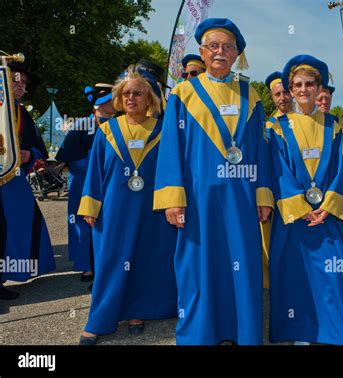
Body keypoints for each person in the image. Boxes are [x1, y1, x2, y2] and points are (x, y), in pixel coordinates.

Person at [154, 18, 273, 345]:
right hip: (197, 199)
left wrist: (263, 196)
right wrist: (172, 198)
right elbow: (171, 148)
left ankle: (243, 332)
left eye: (228, 46)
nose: (220, 51)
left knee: (242, 266)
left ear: (237, 55)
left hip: (242, 199)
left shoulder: (253, 96)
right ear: (202, 52)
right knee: (199, 267)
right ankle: (199, 334)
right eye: (213, 46)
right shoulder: (182, 93)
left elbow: (261, 150)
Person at [268, 55, 343, 345]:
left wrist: (328, 204)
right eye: (297, 85)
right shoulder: (276, 127)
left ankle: (336, 332)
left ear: (319, 89)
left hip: (327, 214)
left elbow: (341, 166)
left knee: (333, 277)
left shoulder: (335, 127)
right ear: (289, 90)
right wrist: (299, 207)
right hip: (293, 217)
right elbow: (276, 169)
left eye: (309, 84)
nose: (303, 90)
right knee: (295, 275)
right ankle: (300, 330)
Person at [77, 66, 177, 345]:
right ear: (120, 98)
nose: (132, 98)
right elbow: (94, 172)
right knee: (110, 260)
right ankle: (98, 319)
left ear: (149, 98)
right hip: (113, 208)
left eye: (138, 93)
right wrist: (89, 206)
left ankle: (137, 312)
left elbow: (171, 168)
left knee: (145, 259)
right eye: (126, 93)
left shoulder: (163, 130)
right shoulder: (107, 130)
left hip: (151, 208)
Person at [0, 62, 55, 300]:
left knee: (20, 226)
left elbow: (39, 149)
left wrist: (30, 154)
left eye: (23, 83)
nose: (20, 86)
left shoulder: (22, 113)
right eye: (16, 80)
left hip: (14, 181)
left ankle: (5, 276)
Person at [55, 83, 115, 284]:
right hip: (83, 183)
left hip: (110, 183)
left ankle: (106, 264)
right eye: (110, 99)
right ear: (99, 104)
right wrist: (100, 163)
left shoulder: (121, 125)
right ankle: (86, 265)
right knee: (83, 223)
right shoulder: (81, 126)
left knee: (108, 223)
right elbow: (73, 159)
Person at [259, 71, 293, 289]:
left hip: (301, 193)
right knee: (273, 241)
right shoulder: (267, 127)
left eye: (286, 92)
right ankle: (273, 282)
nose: (282, 98)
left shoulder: (307, 121)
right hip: (275, 191)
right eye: (277, 94)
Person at [315, 86, 343, 202]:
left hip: (334, 182)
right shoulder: (302, 122)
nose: (324, 102)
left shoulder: (340, 124)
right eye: (320, 99)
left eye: (327, 98)